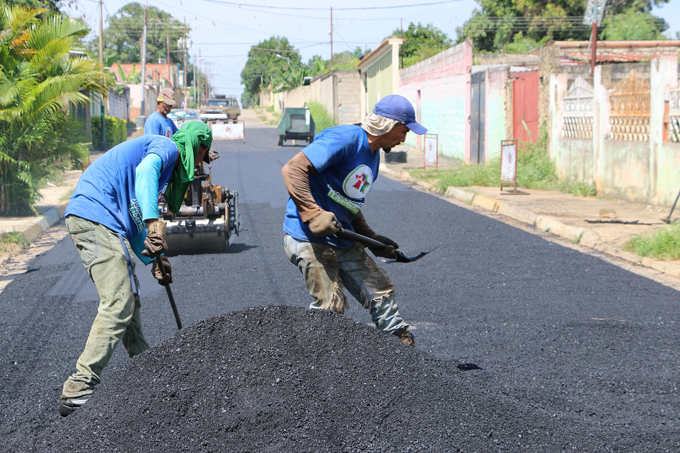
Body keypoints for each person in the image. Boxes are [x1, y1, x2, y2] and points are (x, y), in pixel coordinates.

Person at [59, 122, 213, 416]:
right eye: (202, 154)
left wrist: (154, 261)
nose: (199, 163)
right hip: (95, 216)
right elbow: (144, 175)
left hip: (106, 220)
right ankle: (79, 386)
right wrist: (155, 223)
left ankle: (146, 370)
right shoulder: (166, 148)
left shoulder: (164, 159)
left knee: (129, 295)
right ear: (197, 145)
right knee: (118, 301)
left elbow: (133, 218)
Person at [281, 95, 427, 347]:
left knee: (379, 289)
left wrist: (371, 238)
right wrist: (312, 213)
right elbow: (293, 170)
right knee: (330, 306)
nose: (403, 139)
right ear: (388, 126)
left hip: (340, 236)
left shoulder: (373, 156)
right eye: (403, 131)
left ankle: (401, 348)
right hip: (308, 237)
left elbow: (349, 200)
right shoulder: (345, 139)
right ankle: (316, 361)